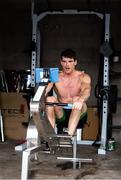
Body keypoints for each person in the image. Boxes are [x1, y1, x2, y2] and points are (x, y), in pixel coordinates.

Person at [45, 49, 91, 136]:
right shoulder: (55, 75)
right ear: (61, 62)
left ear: (75, 62)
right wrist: (38, 99)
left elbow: (86, 91)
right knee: (50, 99)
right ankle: (49, 136)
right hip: (62, 114)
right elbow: (46, 90)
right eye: (64, 61)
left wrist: (80, 100)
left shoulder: (83, 76)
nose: (67, 64)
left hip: (79, 112)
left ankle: (68, 136)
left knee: (77, 98)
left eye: (70, 61)